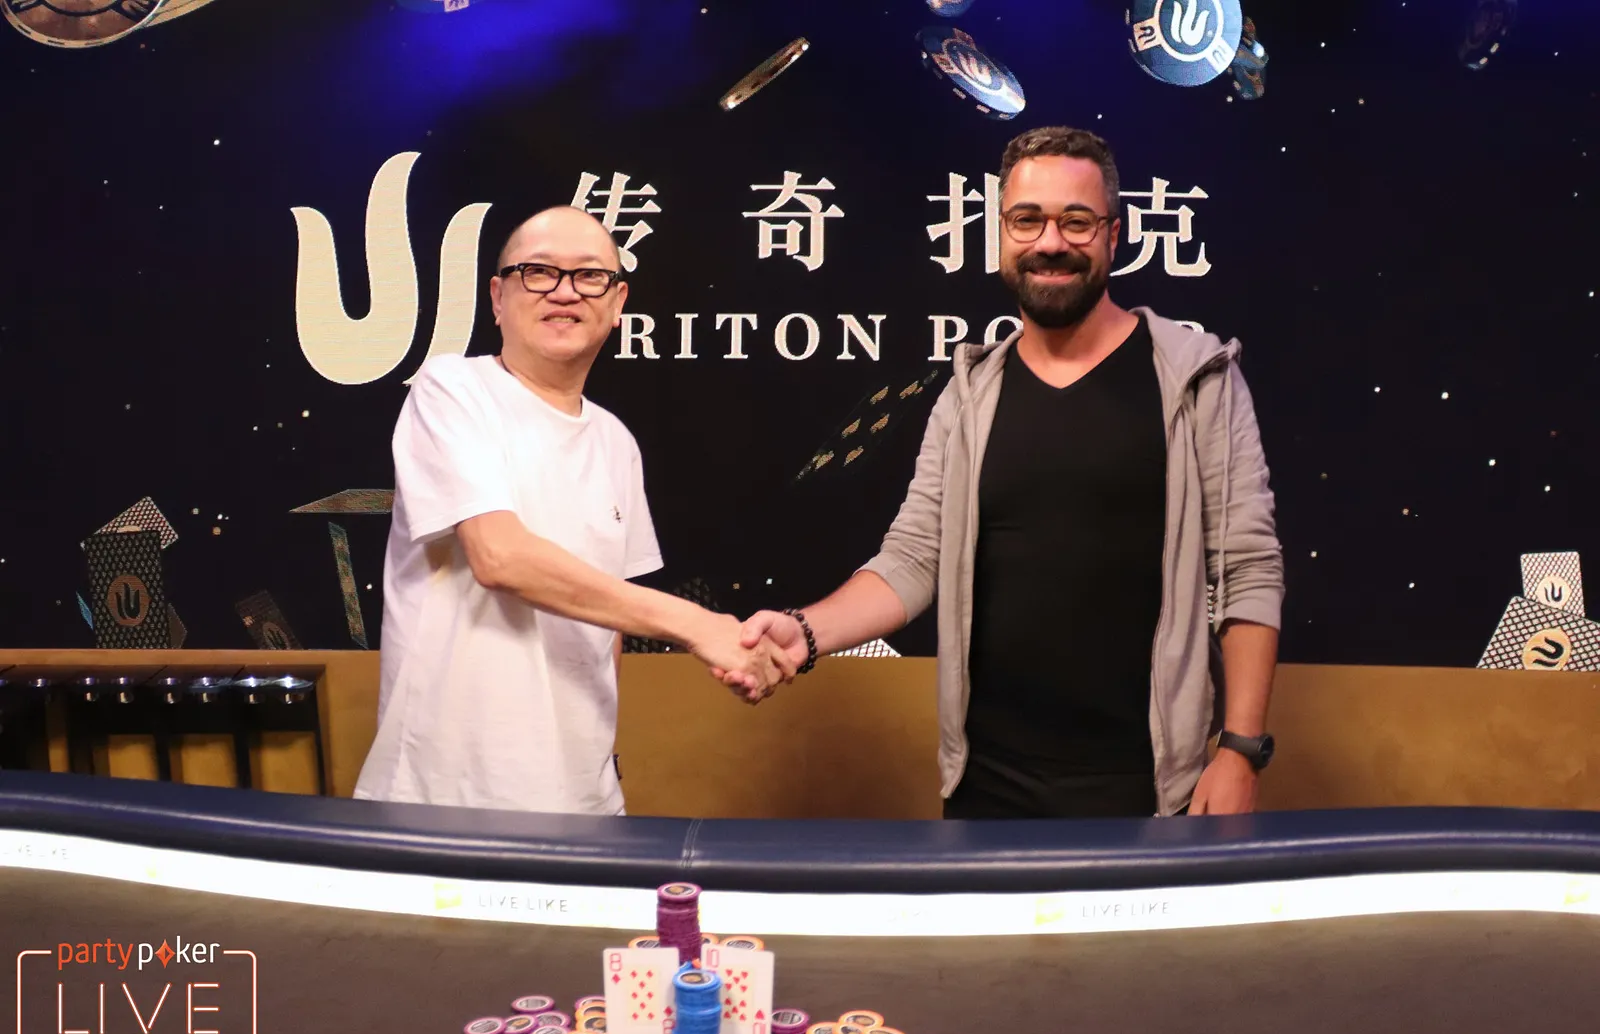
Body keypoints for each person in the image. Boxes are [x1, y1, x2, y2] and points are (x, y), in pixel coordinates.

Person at [722, 127, 1285, 819]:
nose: (1050, 242)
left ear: (1114, 234)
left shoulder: (1199, 379)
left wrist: (1241, 749)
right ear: (1000, 235)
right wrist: (805, 633)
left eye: (1076, 221)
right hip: (986, 785)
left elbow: (1249, 570)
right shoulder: (968, 394)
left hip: (1154, 787)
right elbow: (913, 558)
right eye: (1027, 220)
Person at [356, 206, 791, 815]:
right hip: (447, 793)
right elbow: (500, 558)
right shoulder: (453, 389)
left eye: (590, 276)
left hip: (585, 798)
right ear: (498, 297)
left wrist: (600, 763)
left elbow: (605, 624)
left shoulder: (616, 442)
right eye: (538, 272)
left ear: (617, 303)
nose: (564, 292)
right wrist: (700, 626)